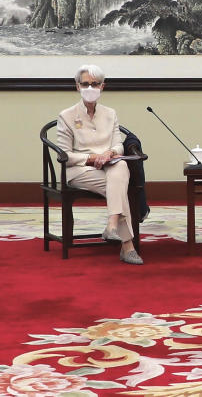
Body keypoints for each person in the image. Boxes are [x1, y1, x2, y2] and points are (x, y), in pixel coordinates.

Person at [56, 64, 143, 265]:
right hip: (79, 170)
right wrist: (92, 158)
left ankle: (112, 225)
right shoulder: (66, 116)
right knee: (119, 187)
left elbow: (119, 145)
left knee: (120, 167)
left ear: (103, 87)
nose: (90, 88)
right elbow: (65, 155)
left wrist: (110, 153)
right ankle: (127, 246)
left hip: (110, 167)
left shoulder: (110, 114)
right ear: (77, 86)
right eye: (85, 84)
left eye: (95, 84)